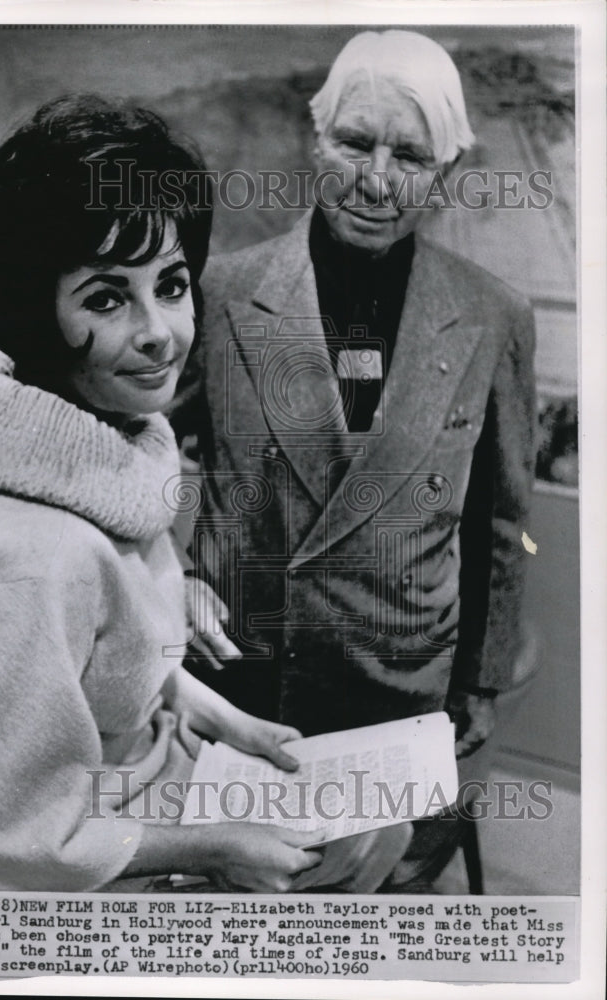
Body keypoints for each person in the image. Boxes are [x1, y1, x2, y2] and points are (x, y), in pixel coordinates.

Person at [0, 94, 409, 893]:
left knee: (387, 819)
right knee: (360, 868)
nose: (160, 331)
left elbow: (104, 667)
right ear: (33, 317)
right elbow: (12, 838)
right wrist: (215, 846)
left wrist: (222, 717)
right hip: (89, 872)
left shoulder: (99, 449)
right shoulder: (29, 562)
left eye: (170, 285)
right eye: (105, 298)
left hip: (157, 778)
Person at [172, 30, 537, 889]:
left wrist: (478, 686)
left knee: (367, 904)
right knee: (240, 909)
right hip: (250, 674)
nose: (377, 179)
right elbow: (132, 448)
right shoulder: (223, 291)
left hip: (399, 687)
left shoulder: (492, 316)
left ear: (445, 170)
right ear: (316, 139)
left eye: (410, 154)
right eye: (355, 141)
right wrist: (169, 574)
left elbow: (501, 519)